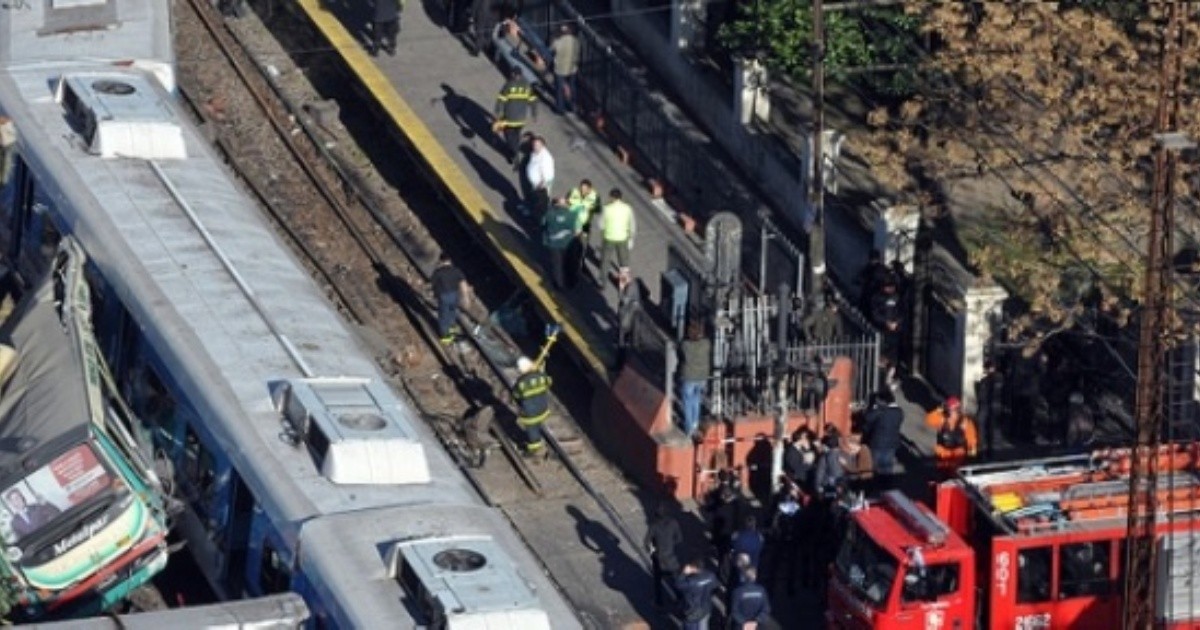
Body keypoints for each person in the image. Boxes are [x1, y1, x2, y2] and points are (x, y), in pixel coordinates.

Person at [492, 67, 537, 163]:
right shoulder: (527, 85)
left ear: (513, 74)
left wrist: (497, 111)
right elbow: (532, 100)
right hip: (521, 118)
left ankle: (514, 153)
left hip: (510, 117)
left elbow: (501, 99)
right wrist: (534, 114)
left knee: (509, 136)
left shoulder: (509, 84)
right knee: (516, 135)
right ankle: (512, 151)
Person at [644, 503, 683, 607]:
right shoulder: (673, 523)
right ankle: (680, 598)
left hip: (659, 558)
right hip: (671, 557)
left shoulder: (654, 526)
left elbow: (646, 543)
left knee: (657, 582)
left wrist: (652, 551)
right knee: (676, 579)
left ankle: (659, 602)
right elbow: (679, 539)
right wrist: (670, 545)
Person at [926, 396, 978, 475]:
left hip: (958, 453)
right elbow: (929, 420)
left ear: (958, 409)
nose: (951, 412)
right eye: (949, 409)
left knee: (956, 473)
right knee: (941, 473)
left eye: (953, 409)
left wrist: (972, 448)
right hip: (943, 452)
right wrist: (938, 410)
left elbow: (971, 437)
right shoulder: (942, 419)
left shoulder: (965, 421)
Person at [678, 320, 712, 439]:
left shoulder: (686, 345)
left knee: (687, 402)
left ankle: (689, 429)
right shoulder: (706, 344)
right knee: (696, 400)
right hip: (702, 377)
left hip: (689, 377)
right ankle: (695, 423)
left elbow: (681, 352)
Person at [512, 356, 551, 457]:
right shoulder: (541, 376)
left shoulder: (521, 382)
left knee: (532, 430)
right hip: (542, 407)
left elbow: (516, 395)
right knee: (537, 424)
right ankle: (539, 439)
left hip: (530, 413)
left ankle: (534, 450)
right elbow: (549, 382)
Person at [430, 253, 470, 344]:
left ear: (441, 260)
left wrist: (433, 293)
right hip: (454, 296)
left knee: (444, 316)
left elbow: (432, 284)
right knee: (452, 313)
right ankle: (453, 333)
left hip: (444, 296)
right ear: (450, 261)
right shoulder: (456, 271)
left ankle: (446, 338)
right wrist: (465, 297)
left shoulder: (438, 272)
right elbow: (463, 284)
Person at [863, 387, 904, 477]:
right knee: (888, 467)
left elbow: (867, 418)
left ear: (883, 401)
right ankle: (887, 483)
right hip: (892, 444)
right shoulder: (899, 412)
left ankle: (879, 483)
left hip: (878, 444)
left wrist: (874, 408)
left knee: (877, 468)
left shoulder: (880, 412)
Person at [598, 188, 635, 286]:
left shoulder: (607, 208)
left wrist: (603, 233)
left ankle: (602, 282)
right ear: (621, 197)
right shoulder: (627, 208)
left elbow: (601, 224)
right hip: (623, 238)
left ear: (611, 197)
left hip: (609, 237)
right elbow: (632, 225)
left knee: (605, 260)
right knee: (623, 262)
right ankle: (623, 284)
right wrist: (631, 238)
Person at [676, 557, 719, 630]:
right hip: (706, 608)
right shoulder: (711, 576)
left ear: (694, 568)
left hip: (692, 611)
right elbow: (715, 588)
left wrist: (683, 573)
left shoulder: (690, 582)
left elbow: (678, 585)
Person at [974, 357, 1004, 459]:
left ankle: (983, 452)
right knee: (994, 430)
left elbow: (981, 396)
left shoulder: (985, 381)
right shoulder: (1001, 379)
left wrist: (977, 386)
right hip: (996, 406)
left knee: (982, 429)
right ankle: (993, 452)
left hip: (986, 406)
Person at [542, 197, 575, 289]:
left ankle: (558, 283)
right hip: (566, 242)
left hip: (554, 242)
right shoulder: (570, 215)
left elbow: (543, 223)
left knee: (557, 263)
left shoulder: (550, 214)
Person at [549, 23, 580, 113]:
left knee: (559, 89)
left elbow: (551, 49)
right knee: (572, 87)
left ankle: (560, 108)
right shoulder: (576, 41)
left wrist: (554, 38)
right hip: (572, 67)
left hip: (560, 68)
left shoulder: (558, 41)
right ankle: (572, 105)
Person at [523, 136, 554, 216]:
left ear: (542, 146)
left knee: (539, 202)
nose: (535, 147)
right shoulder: (535, 153)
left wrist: (540, 186)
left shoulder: (546, 159)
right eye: (534, 145)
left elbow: (548, 175)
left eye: (537, 145)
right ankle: (529, 208)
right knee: (531, 197)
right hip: (534, 184)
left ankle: (536, 215)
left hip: (540, 186)